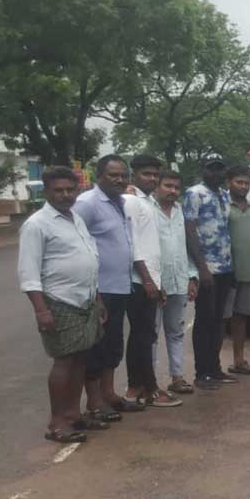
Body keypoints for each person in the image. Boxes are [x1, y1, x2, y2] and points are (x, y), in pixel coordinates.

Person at [18, 167, 104, 443]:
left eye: (70, 189)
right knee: (64, 362)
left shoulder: (75, 218)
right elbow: (28, 274)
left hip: (86, 302)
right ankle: (56, 422)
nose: (66, 195)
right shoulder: (37, 224)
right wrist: (41, 310)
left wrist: (98, 298)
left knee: (80, 359)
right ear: (46, 192)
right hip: (59, 302)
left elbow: (89, 260)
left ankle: (72, 415)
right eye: (59, 190)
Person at [74, 154, 144, 421]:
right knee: (96, 347)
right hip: (100, 290)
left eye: (123, 175)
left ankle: (109, 393)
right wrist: (95, 292)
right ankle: (94, 401)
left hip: (121, 286)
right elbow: (78, 244)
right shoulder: (87, 204)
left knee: (113, 344)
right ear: (99, 176)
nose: (119, 179)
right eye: (113, 174)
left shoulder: (119, 202)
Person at [123, 154, 179, 407]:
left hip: (152, 280)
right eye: (147, 174)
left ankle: (146, 387)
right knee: (142, 336)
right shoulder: (131, 201)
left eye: (155, 175)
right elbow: (132, 243)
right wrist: (148, 281)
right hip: (138, 280)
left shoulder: (148, 202)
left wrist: (159, 282)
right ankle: (141, 387)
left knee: (145, 335)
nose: (152, 179)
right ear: (134, 175)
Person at [185, 155, 239, 387]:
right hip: (207, 269)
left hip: (226, 267)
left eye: (219, 169)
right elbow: (190, 231)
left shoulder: (224, 195)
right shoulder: (194, 193)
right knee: (205, 321)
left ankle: (215, 368)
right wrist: (201, 267)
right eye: (211, 169)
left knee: (219, 321)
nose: (215, 173)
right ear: (203, 170)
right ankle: (202, 372)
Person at [152, 171, 199, 396]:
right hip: (154, 284)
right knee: (152, 333)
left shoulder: (181, 212)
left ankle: (177, 377)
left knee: (176, 331)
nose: (172, 191)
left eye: (176, 187)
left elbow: (185, 247)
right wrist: (151, 281)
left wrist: (192, 276)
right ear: (157, 187)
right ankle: (150, 382)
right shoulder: (146, 210)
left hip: (179, 280)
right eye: (167, 186)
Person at [224, 164, 250, 375]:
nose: (243, 186)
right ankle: (212, 365)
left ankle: (239, 361)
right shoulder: (222, 207)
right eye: (238, 182)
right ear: (228, 183)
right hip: (226, 273)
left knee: (242, 317)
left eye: (246, 183)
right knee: (222, 318)